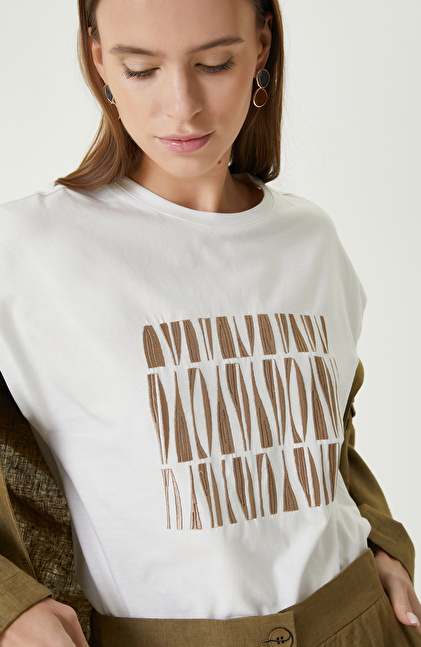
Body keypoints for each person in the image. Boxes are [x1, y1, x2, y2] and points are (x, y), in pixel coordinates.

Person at [0, 0, 420, 645]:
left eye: (215, 63)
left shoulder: (309, 239)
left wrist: (382, 540)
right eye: (141, 69)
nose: (182, 106)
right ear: (98, 59)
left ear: (262, 48)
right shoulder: (28, 250)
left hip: (361, 621)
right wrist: (11, 605)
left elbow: (330, 433)